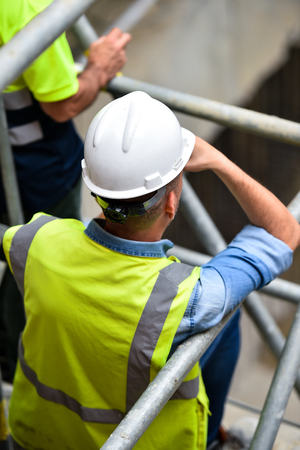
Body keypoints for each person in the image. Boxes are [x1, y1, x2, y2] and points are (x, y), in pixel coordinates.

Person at [1, 91, 299, 450]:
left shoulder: (35, 240)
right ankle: (214, 440)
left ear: (95, 189)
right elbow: (283, 232)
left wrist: (117, 190)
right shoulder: (185, 298)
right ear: (172, 202)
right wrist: (219, 161)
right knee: (226, 319)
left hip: (32, 437)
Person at [0, 0, 131, 381]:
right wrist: (99, 69)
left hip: (14, 158)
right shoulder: (24, 5)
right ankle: (15, 365)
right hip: (35, 166)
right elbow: (62, 103)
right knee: (40, 259)